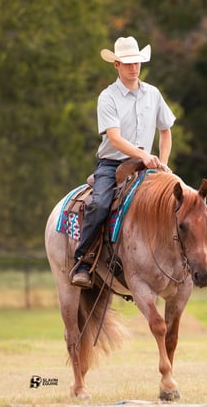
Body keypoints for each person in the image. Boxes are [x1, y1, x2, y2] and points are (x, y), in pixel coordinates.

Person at [71, 36, 176, 288]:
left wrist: (162, 163)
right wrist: (143, 156)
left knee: (184, 201)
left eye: (137, 62)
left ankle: (193, 259)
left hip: (149, 165)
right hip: (112, 165)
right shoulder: (107, 97)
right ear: (116, 64)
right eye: (128, 63)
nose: (134, 67)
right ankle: (83, 261)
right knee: (100, 204)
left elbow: (165, 130)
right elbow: (115, 139)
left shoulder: (153, 94)